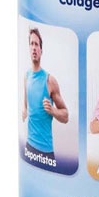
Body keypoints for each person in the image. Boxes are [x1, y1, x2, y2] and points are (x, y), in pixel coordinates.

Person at [22, 28, 69, 160]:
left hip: (45, 150)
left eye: (37, 44)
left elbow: (66, 116)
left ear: (41, 51)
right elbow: (26, 103)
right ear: (29, 48)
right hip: (29, 146)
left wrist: (53, 111)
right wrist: (24, 111)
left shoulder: (50, 81)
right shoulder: (26, 76)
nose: (34, 48)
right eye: (31, 44)